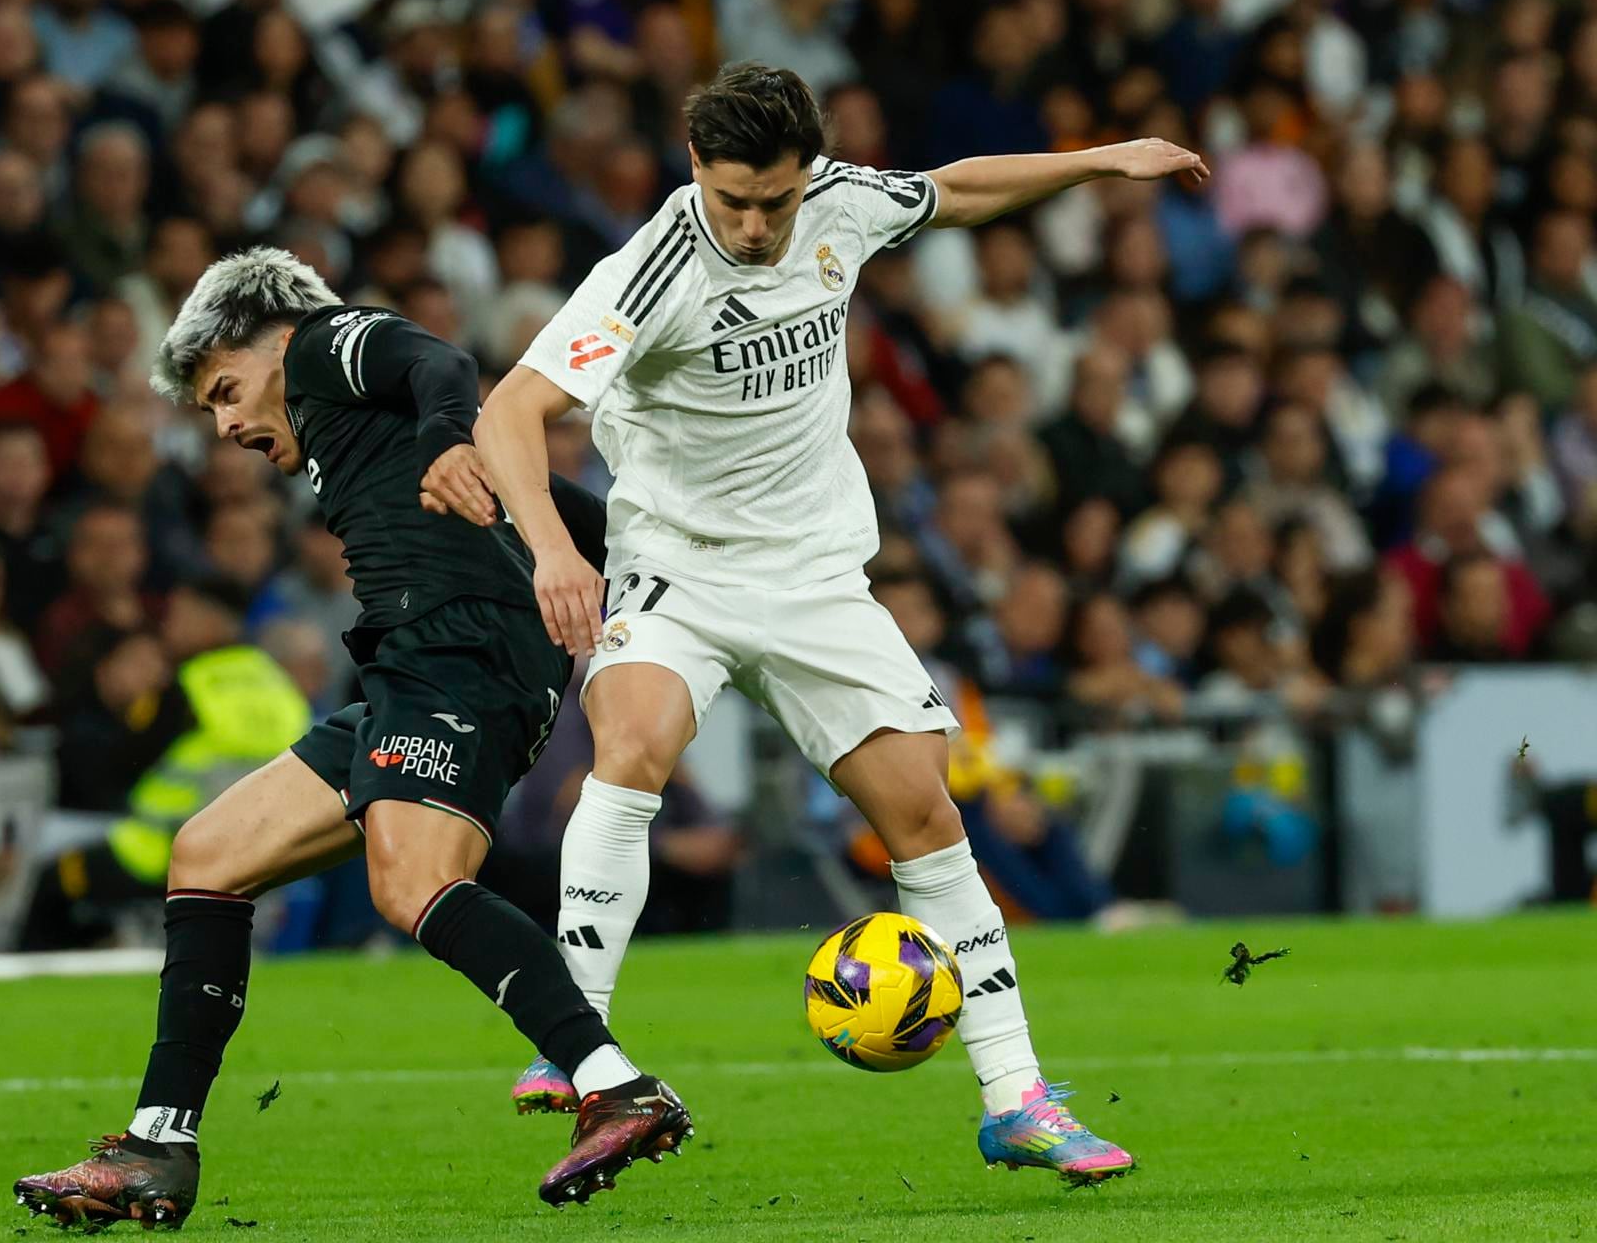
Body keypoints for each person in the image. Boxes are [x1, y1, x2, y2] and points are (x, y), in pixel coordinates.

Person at [475, 62, 1203, 1183]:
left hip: (817, 577)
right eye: (733, 201)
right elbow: (510, 410)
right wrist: (555, 550)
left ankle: (1017, 1100)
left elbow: (954, 190)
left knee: (926, 812)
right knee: (632, 746)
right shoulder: (650, 271)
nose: (755, 225)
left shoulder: (841, 203)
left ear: (806, 173)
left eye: (774, 199)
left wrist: (1099, 161)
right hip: (678, 567)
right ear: (694, 168)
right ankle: (574, 1039)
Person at [11, 249, 691, 1229]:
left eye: (227, 390)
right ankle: (159, 1144)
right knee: (207, 855)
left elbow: (440, 363)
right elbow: (563, 507)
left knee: (412, 881)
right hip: (411, 668)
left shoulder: (322, 345)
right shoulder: (364, 428)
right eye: (209, 410)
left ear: (271, 339)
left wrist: (451, 437)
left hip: (457, 652)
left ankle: (615, 1084)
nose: (226, 424)